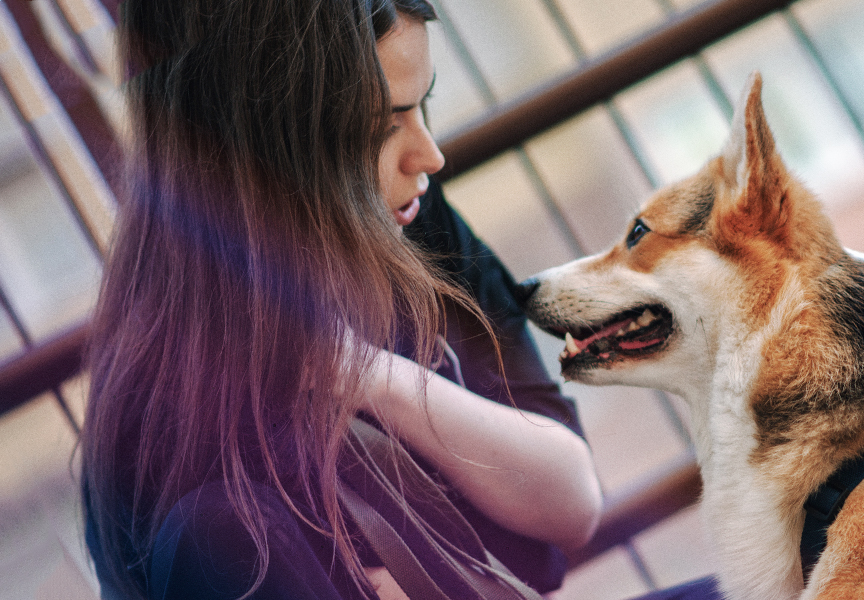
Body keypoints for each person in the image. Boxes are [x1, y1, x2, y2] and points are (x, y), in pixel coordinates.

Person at [80, 0, 603, 598]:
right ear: (274, 149)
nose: (429, 156)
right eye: (384, 127)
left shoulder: (415, 222)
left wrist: (371, 376)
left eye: (422, 106)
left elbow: (572, 501)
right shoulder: (193, 461)